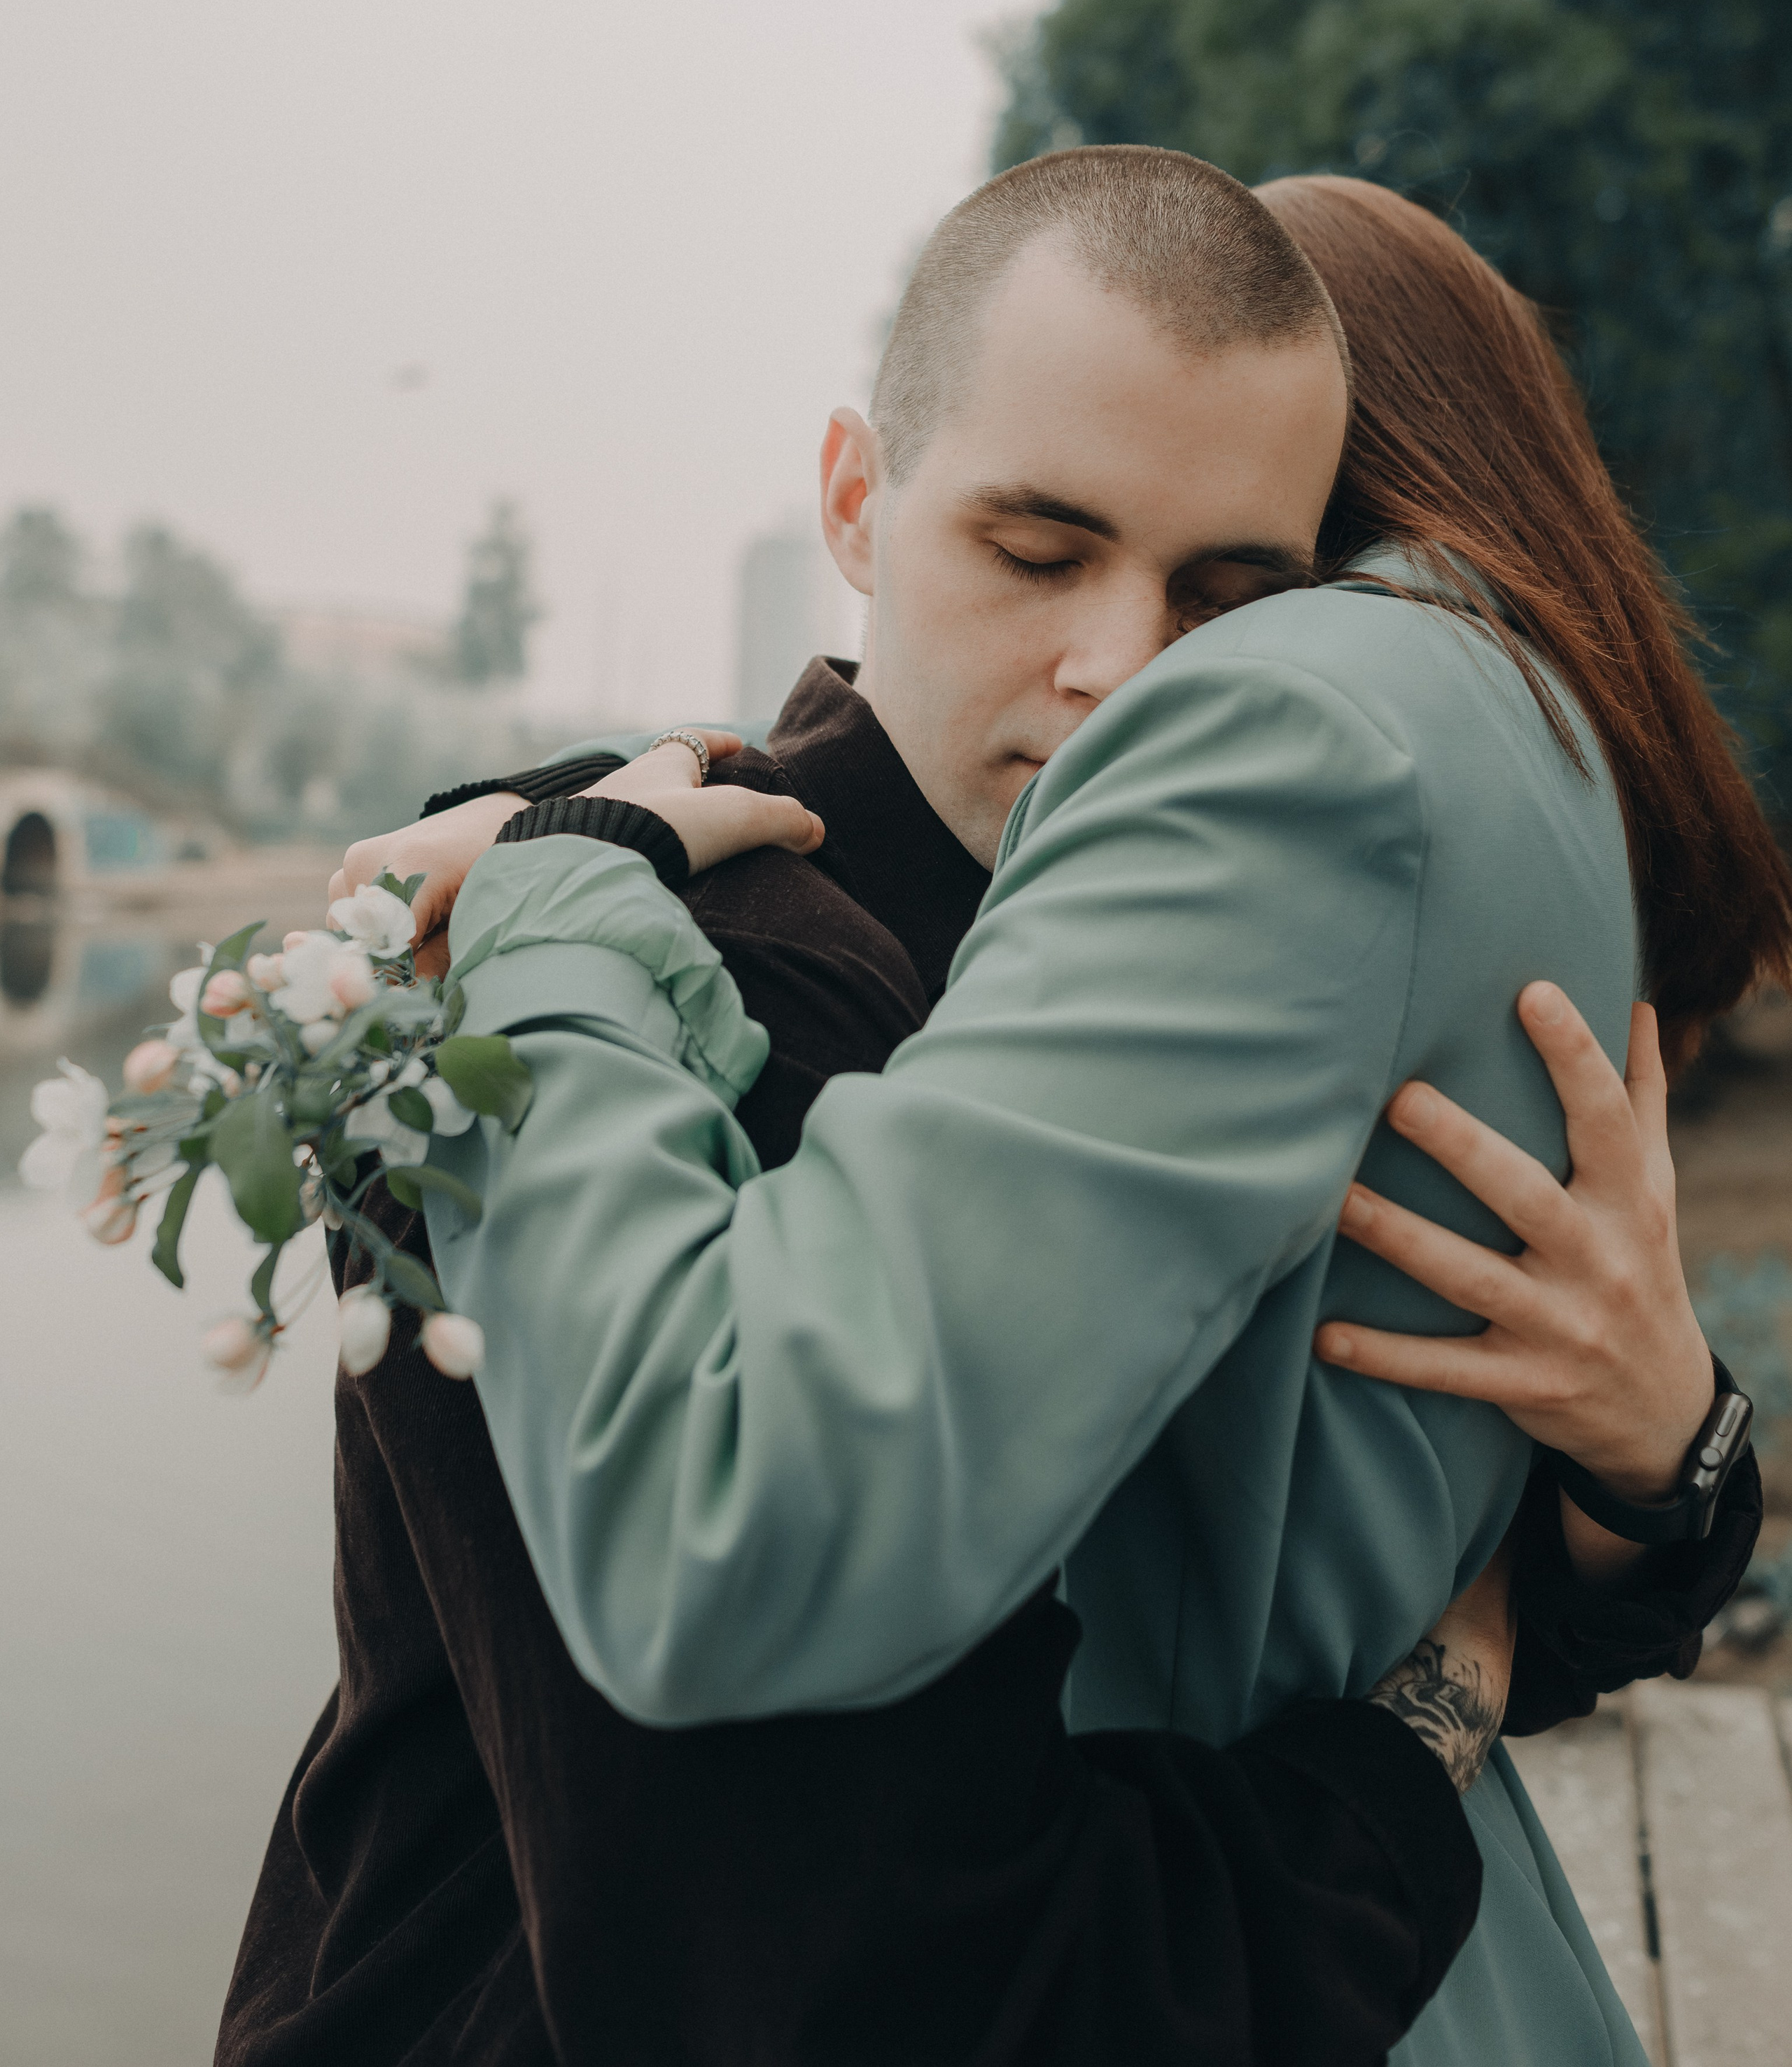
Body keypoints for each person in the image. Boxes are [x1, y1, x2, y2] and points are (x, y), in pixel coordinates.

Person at [218, 153, 1763, 2066]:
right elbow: (839, 1974)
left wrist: (1666, 1453)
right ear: (857, 504)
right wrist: (1394, 1765)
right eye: (1039, 553)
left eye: (1233, 597)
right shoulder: (684, 981)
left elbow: (1347, 1547)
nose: (1117, 670)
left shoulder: (1171, 985)